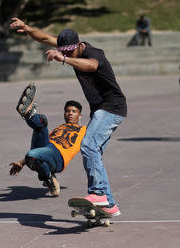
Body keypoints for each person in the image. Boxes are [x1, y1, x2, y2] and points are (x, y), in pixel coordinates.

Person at [10, 18, 127, 216]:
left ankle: (99, 194)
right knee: (94, 152)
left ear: (78, 46)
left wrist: (64, 59)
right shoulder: (68, 48)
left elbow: (90, 66)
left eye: (70, 53)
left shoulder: (93, 53)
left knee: (88, 145)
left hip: (112, 107)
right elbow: (45, 37)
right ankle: (109, 204)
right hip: (102, 110)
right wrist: (28, 28)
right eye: (64, 52)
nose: (67, 56)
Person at [10, 85, 86, 197]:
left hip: (59, 158)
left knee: (31, 156)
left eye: (74, 111)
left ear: (80, 115)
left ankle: (30, 113)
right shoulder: (59, 128)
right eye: (67, 111)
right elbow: (42, 151)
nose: (70, 113)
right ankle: (29, 114)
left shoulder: (84, 130)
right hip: (47, 150)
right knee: (42, 122)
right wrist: (21, 163)